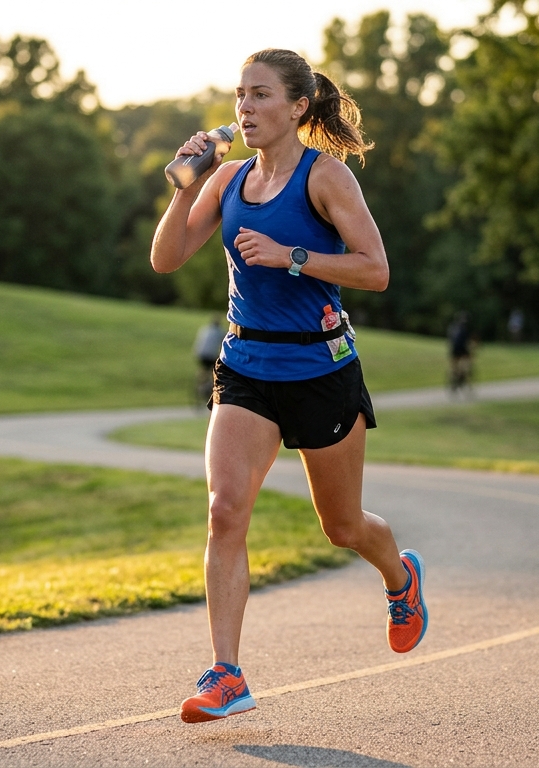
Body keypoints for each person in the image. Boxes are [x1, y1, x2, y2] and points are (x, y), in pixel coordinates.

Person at [151, 48, 427, 724]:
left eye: (261, 95)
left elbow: (376, 269)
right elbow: (165, 259)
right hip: (246, 366)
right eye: (240, 95)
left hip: (322, 370)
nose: (244, 108)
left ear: (298, 107)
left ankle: (400, 576)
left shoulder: (325, 178)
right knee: (224, 510)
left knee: (341, 526)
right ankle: (227, 674)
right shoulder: (228, 181)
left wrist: (293, 257)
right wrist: (186, 186)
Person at [192, 315, 225, 405]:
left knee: (204, 369)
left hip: (199, 354)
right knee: (214, 371)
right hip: (210, 355)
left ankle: (200, 383)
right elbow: (224, 344)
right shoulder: (219, 331)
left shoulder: (204, 329)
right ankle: (208, 387)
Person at [446, 311, 473, 395]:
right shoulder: (464, 328)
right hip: (461, 350)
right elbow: (466, 342)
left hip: (453, 350)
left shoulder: (452, 327)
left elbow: (450, 339)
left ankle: (453, 383)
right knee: (465, 368)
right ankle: (461, 381)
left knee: (454, 368)